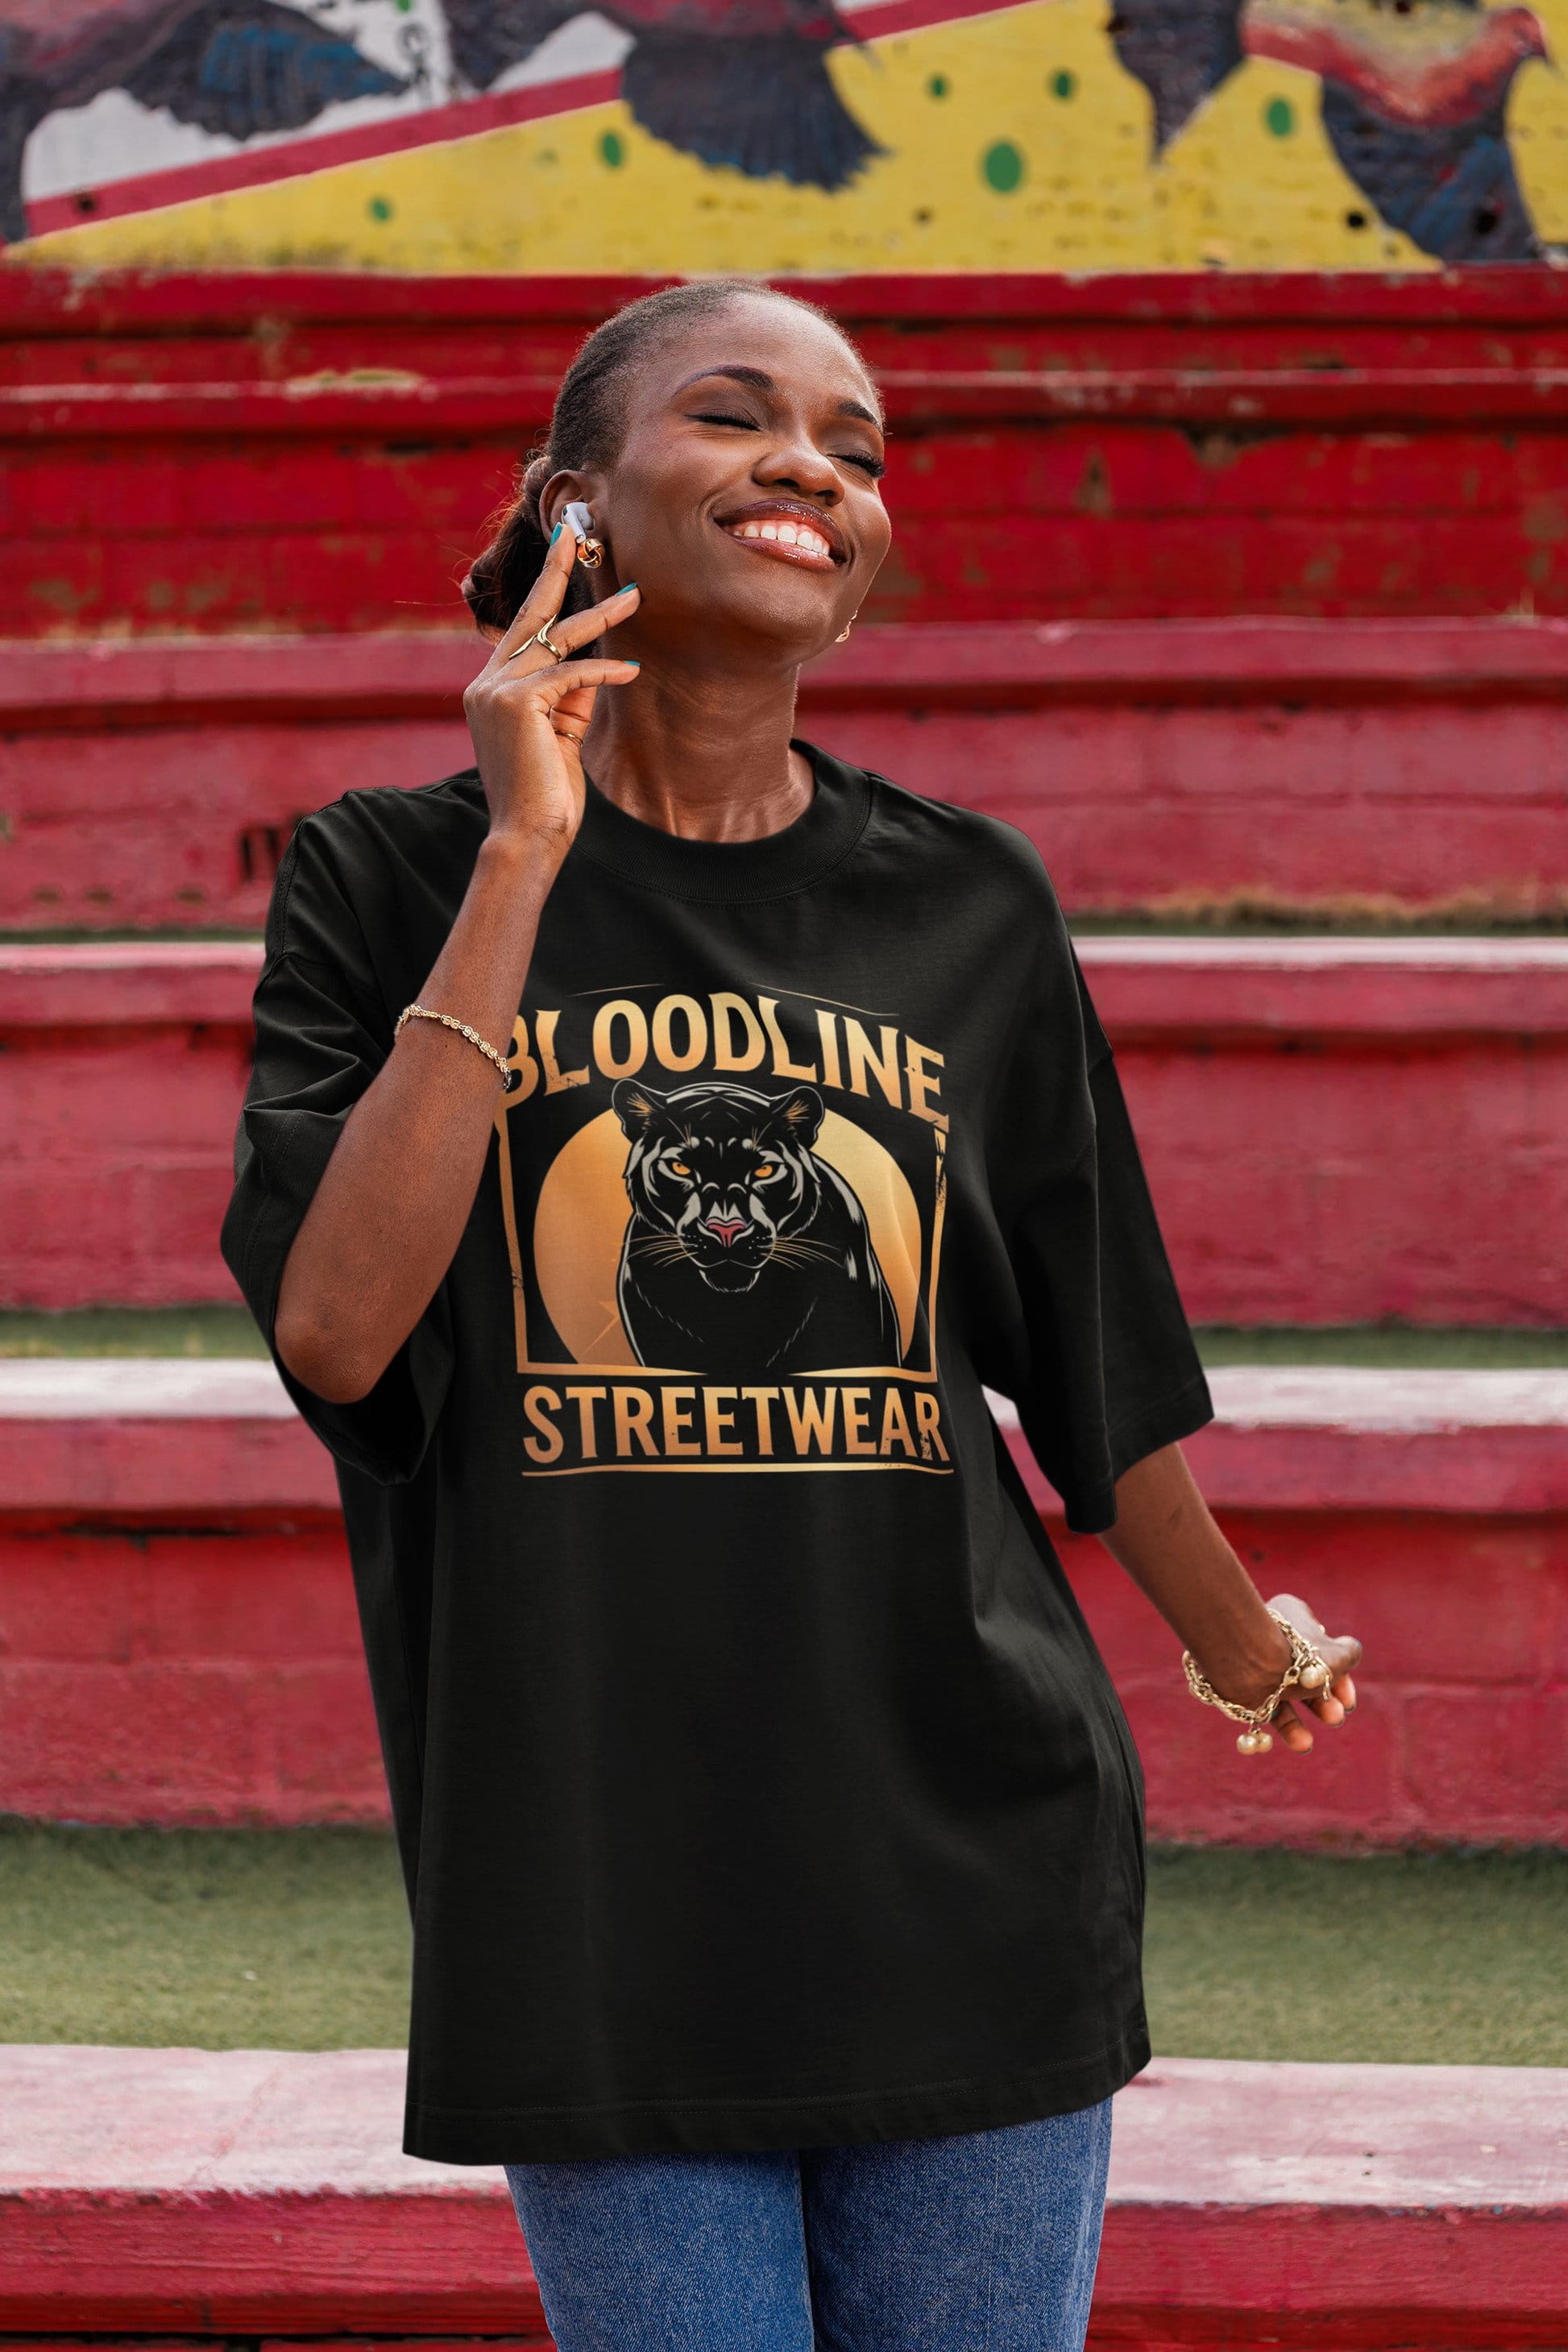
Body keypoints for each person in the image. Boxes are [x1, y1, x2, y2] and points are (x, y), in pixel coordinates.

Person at [223, 280, 1362, 2352]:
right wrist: (524, 853)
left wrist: (1245, 1643)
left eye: (856, 445)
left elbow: (1091, 1361)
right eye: (737, 415)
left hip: (969, 1854)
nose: (810, 469)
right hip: (600, 1890)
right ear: (575, 500)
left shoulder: (970, 900)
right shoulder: (385, 877)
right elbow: (340, 1333)